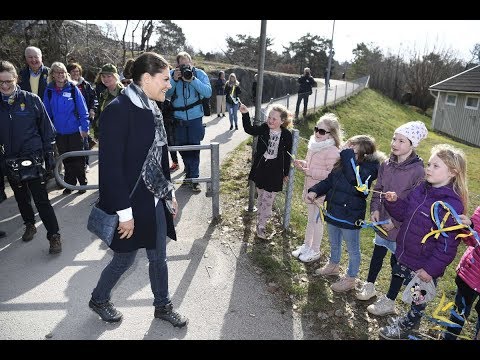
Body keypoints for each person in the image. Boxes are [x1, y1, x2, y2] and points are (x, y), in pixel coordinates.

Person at [88, 52, 187, 328]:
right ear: (146, 79)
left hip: (154, 197)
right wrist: (124, 213)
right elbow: (110, 169)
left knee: (159, 256)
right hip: (129, 202)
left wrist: (169, 193)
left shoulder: (153, 107)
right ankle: (99, 299)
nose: (169, 84)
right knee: (124, 258)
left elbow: (160, 154)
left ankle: (163, 306)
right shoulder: (118, 110)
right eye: (165, 79)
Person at [378, 143, 468, 340]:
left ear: (452, 172)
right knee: (410, 293)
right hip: (408, 255)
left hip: (425, 265)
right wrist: (393, 202)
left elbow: (447, 245)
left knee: (418, 300)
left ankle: (406, 326)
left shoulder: (450, 205)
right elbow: (404, 214)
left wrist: (430, 270)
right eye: (429, 164)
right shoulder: (421, 189)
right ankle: (410, 318)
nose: (428, 169)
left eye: (436, 166)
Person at [359, 121, 428, 313]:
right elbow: (378, 189)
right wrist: (375, 209)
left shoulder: (419, 171)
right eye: (394, 138)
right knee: (377, 254)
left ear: (412, 144)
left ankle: (389, 300)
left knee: (397, 264)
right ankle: (370, 285)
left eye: (401, 140)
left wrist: (396, 222)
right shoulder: (386, 164)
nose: (395, 143)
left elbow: (415, 204)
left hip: (401, 227)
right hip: (382, 221)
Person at [308, 135, 383, 293]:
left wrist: (348, 157)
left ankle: (350, 278)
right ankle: (333, 265)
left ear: (362, 153)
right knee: (334, 242)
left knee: (353, 249)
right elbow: (329, 181)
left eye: (351, 147)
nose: (345, 149)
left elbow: (356, 182)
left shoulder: (368, 169)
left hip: (350, 216)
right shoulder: (342, 163)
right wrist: (315, 190)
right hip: (334, 212)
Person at [0, 60, 62, 254]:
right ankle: (29, 224)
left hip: (32, 159)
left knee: (41, 199)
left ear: (16, 79)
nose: (4, 85)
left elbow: (47, 131)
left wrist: (49, 156)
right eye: (0, 82)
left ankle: (54, 235)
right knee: (20, 197)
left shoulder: (32, 100)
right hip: (9, 160)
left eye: (8, 81)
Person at [292, 113, 342, 263]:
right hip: (311, 189)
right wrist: (303, 164)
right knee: (310, 220)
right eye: (316, 129)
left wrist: (311, 171)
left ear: (331, 134)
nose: (317, 133)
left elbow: (331, 175)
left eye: (322, 131)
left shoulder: (332, 151)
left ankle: (315, 249)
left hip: (321, 193)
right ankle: (307, 245)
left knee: (317, 221)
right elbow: (311, 164)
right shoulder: (314, 145)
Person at [239, 103, 293, 240]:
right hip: (261, 168)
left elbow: (287, 156)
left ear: (282, 121)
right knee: (262, 198)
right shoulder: (264, 128)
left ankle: (261, 226)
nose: (270, 120)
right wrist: (245, 114)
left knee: (268, 200)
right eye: (269, 117)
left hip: (275, 171)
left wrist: (285, 173)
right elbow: (249, 129)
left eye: (274, 119)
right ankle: (260, 221)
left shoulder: (286, 135)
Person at [166, 51, 212, 192]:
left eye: (187, 64)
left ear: (191, 63)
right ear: (177, 65)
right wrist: (173, 80)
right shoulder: (172, 74)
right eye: (181, 65)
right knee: (182, 147)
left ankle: (194, 178)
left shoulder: (199, 74)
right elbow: (166, 94)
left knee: (194, 147)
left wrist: (192, 80)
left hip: (195, 117)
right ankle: (189, 172)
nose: (185, 67)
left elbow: (208, 92)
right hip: (178, 118)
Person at [43, 62, 90, 195]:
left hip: (75, 131)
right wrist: (49, 130)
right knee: (66, 160)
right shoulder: (49, 91)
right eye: (57, 72)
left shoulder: (73, 89)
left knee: (78, 159)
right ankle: (69, 184)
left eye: (62, 71)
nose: (60, 74)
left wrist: (85, 127)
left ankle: (82, 183)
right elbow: (46, 113)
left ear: (66, 73)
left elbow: (83, 110)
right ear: (52, 75)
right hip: (59, 133)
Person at [443, 206, 480, 340]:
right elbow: (470, 240)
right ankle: (449, 337)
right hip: (472, 273)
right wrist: (469, 227)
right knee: (460, 310)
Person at [67, 62, 98, 173]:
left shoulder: (85, 84)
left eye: (78, 71)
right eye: (73, 71)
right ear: (68, 73)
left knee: (84, 141)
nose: (76, 73)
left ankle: (85, 163)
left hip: (83, 117)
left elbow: (94, 98)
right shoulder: (66, 85)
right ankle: (72, 167)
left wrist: (92, 109)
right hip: (70, 118)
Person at [92, 63, 123, 138]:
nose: (105, 79)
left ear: (116, 77)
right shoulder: (103, 94)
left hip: (120, 135)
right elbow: (99, 115)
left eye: (109, 76)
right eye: (103, 76)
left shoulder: (123, 93)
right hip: (105, 134)